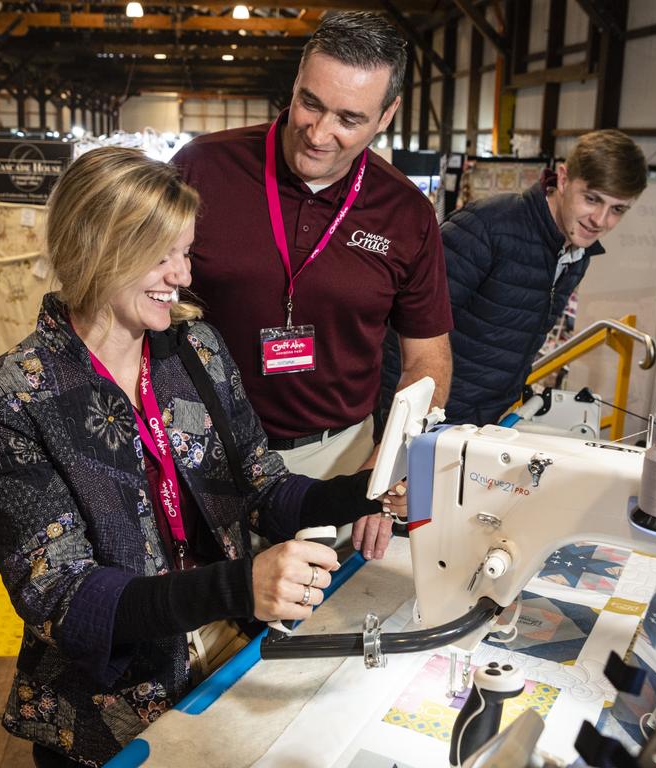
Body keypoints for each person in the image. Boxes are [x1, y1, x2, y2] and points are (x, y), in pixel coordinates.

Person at [0, 147, 403, 767]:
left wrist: (366, 492)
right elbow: (63, 596)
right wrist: (239, 586)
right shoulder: (10, 398)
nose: (182, 275)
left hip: (228, 659)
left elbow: (262, 486)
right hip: (105, 710)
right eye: (160, 256)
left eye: (186, 252)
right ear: (94, 248)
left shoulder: (193, 348)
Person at [174, 11, 452, 558]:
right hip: (201, 452)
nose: (320, 134)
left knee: (314, 632)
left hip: (336, 462)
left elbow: (428, 361)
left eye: (349, 118)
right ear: (296, 82)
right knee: (197, 629)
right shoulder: (202, 168)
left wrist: (385, 470)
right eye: (310, 103)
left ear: (387, 115)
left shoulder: (406, 213)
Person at [442, 129, 648, 426]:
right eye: (591, 199)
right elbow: (406, 329)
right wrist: (407, 428)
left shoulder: (576, 253)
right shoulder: (486, 227)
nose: (600, 221)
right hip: (433, 419)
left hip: (485, 422)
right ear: (563, 179)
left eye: (617, 209)